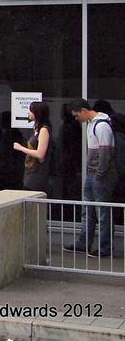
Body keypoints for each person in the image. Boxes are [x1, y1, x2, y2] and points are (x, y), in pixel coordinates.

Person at [65, 99, 119, 257]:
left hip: (101, 175)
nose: (76, 119)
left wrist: (99, 174)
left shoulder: (101, 126)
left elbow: (105, 154)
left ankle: (105, 248)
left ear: (83, 110)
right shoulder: (91, 123)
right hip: (92, 174)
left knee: (102, 212)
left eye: (76, 115)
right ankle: (84, 242)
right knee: (87, 209)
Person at [14, 101, 51, 192]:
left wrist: (21, 148)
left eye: (31, 111)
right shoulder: (36, 129)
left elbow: (40, 154)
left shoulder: (44, 131)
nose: (28, 113)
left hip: (37, 174)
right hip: (30, 171)